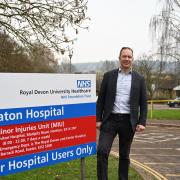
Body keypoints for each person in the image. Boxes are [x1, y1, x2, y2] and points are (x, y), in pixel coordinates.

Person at [96, 47, 147, 180]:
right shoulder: (108, 76)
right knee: (102, 151)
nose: (126, 59)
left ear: (132, 59)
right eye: (124, 56)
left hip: (128, 122)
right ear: (119, 58)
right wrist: (98, 119)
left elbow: (144, 102)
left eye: (129, 57)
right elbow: (100, 100)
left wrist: (142, 122)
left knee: (124, 155)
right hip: (110, 120)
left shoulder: (139, 79)